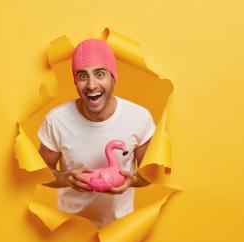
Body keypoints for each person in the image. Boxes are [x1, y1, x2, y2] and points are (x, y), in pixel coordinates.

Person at [37, 39, 156, 228]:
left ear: (113, 77)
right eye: (83, 76)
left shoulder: (139, 118)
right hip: (70, 229)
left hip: (119, 231)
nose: (91, 85)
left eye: (100, 74)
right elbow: (39, 174)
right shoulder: (57, 120)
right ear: (75, 82)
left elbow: (151, 173)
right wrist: (66, 178)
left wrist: (132, 180)